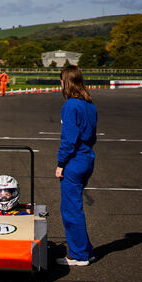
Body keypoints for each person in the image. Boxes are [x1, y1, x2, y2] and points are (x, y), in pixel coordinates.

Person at [55, 65, 98, 266]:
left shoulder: (71, 106)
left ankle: (78, 255)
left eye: (62, 80)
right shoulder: (90, 104)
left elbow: (69, 139)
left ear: (67, 82)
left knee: (71, 209)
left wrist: (61, 163)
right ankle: (86, 250)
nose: (60, 84)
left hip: (75, 160)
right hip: (88, 157)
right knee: (75, 206)